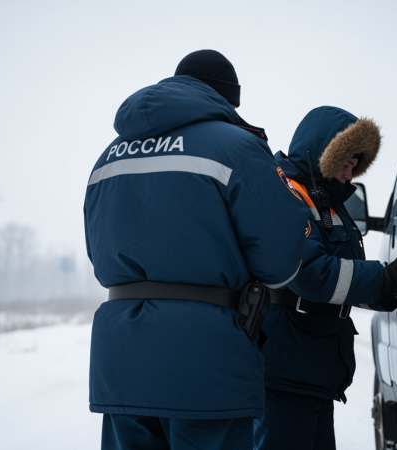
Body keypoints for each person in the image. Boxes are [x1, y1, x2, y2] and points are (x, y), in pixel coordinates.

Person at [84, 50, 311, 450]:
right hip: (205, 363)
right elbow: (280, 262)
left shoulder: (107, 157)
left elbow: (97, 249)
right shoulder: (236, 146)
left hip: (120, 359)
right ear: (226, 99)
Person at [254, 106, 397, 450]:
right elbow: (310, 275)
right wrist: (387, 278)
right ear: (323, 152)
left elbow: (346, 283)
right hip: (286, 374)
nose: (349, 175)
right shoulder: (287, 193)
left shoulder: (329, 203)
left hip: (313, 371)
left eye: (355, 167)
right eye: (345, 164)